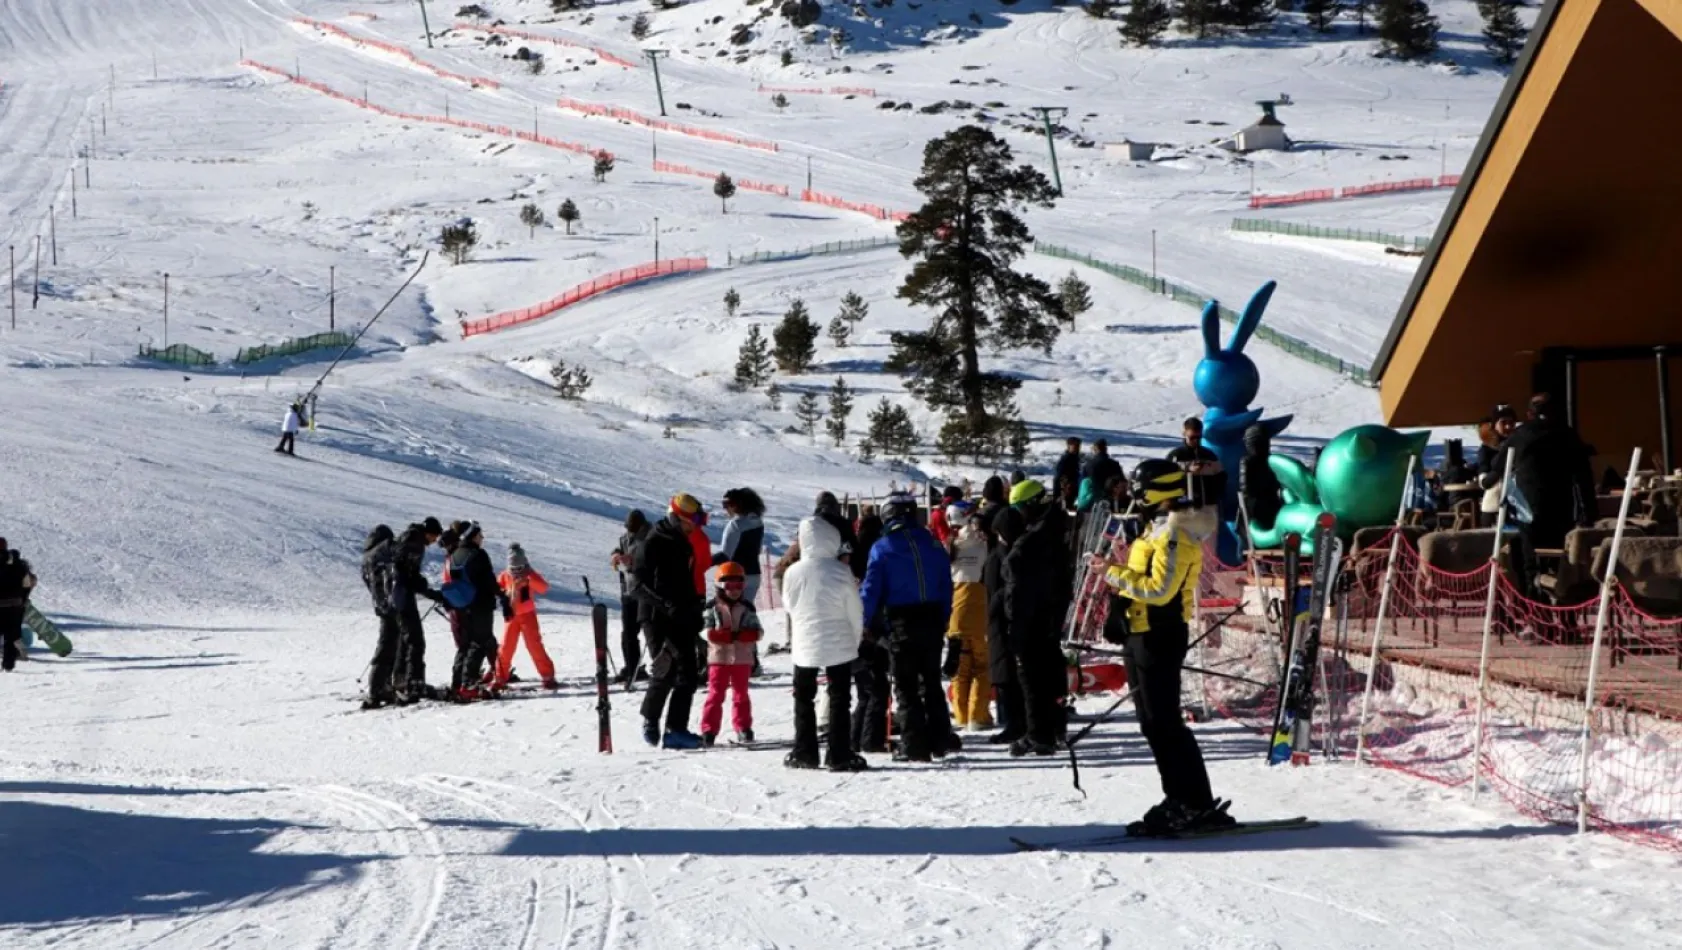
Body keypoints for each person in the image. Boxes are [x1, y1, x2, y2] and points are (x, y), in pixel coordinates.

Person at [1098, 460, 1232, 835]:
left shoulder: (1175, 534)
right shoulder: (1153, 530)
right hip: (1141, 631)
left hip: (1159, 633)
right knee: (1150, 722)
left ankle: (1192, 801)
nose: (1132, 494)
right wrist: (1121, 603)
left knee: (1164, 722)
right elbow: (1143, 583)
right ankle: (1179, 797)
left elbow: (1160, 591)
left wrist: (1110, 571)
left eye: (1137, 487)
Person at [860, 492, 957, 762]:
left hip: (902, 621)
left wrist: (864, 622)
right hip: (933, 618)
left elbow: (870, 590)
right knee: (931, 681)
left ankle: (914, 745)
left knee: (905, 685)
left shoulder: (883, 547)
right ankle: (940, 739)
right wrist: (945, 616)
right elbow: (946, 585)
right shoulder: (933, 544)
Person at [1481, 393, 1597, 593]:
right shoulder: (1567, 434)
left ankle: (1534, 611)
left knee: (1530, 563)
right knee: (1563, 561)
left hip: (1529, 512)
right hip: (1563, 509)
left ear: (1529, 414)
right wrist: (1589, 514)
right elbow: (1584, 477)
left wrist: (1487, 480)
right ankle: (1564, 613)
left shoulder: (1519, 436)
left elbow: (1497, 467)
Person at [784, 516, 869, 771]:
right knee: (839, 699)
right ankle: (839, 753)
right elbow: (855, 609)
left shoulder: (793, 572)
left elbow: (789, 605)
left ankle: (804, 751)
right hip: (839, 642)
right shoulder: (841, 571)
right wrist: (855, 639)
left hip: (805, 643)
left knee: (803, 698)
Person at [1002, 480, 1073, 756]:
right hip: (1051, 617)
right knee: (1050, 674)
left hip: (1032, 619)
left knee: (1031, 679)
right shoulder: (1057, 531)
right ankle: (1054, 728)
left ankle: (1038, 734)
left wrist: (1014, 628)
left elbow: (1017, 590)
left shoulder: (1030, 543)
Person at [636, 494, 708, 749]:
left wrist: (696, 606)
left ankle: (676, 730)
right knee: (664, 669)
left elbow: (688, 581)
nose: (695, 527)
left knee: (689, 672)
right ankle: (650, 718)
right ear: (676, 517)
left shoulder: (683, 543)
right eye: (692, 522)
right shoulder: (653, 543)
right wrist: (666, 604)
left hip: (682, 616)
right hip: (656, 617)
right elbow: (637, 586)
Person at [698, 562, 761, 747]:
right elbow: (705, 631)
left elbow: (758, 632)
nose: (734, 591)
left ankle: (743, 727)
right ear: (720, 586)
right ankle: (708, 730)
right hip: (718, 659)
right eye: (729, 586)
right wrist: (721, 635)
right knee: (715, 694)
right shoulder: (713, 608)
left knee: (741, 694)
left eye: (739, 586)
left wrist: (742, 635)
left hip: (742, 658)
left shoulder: (747, 608)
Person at [443, 522, 507, 700]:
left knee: (465, 644)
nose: (482, 539)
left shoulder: (455, 554)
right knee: (480, 642)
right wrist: (502, 596)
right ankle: (468, 684)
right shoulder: (477, 554)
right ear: (473, 536)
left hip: (462, 605)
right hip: (481, 604)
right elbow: (489, 580)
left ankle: (458, 682)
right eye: (480, 535)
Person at [943, 501, 992, 732]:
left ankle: (961, 715)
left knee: (959, 666)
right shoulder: (981, 542)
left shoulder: (951, 546)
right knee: (982, 666)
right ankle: (978, 715)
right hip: (978, 609)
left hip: (955, 611)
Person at [984, 507, 1027, 744]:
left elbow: (991, 593)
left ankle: (1013, 723)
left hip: (1001, 622)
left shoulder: (997, 557)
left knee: (1005, 674)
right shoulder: (1024, 551)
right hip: (1020, 621)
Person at [849, 508, 891, 753]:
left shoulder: (852, 554)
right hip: (870, 632)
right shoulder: (878, 557)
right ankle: (870, 740)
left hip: (854, 633)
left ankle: (857, 738)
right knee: (877, 689)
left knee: (866, 691)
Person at [392, 517, 445, 701]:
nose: (434, 542)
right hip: (402, 594)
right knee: (415, 640)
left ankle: (400, 680)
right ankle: (414, 682)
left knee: (405, 639)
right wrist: (426, 588)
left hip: (397, 595)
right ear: (429, 533)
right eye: (435, 537)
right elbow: (408, 573)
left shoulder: (408, 537)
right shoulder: (415, 542)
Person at [494, 543, 557, 691]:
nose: (516, 572)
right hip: (512, 615)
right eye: (513, 569)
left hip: (528, 614)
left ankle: (548, 676)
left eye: (519, 569)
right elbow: (497, 587)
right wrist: (504, 595)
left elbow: (544, 588)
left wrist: (529, 580)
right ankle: (500, 676)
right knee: (506, 647)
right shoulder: (505, 575)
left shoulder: (529, 574)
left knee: (534, 645)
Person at [360, 525, 402, 708]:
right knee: (388, 646)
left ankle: (381, 685)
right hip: (390, 605)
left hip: (380, 606)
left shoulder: (366, 558)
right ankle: (378, 688)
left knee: (387, 644)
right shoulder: (383, 552)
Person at [611, 510, 653, 686]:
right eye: (629, 528)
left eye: (633, 528)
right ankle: (632, 667)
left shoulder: (652, 537)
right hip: (629, 590)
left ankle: (663, 668)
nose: (631, 531)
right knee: (628, 633)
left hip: (647, 592)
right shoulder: (626, 537)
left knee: (652, 632)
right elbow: (619, 548)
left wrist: (634, 562)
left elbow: (654, 562)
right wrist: (615, 555)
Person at [714, 489, 766, 607]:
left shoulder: (736, 524)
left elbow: (725, 555)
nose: (725, 509)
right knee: (745, 614)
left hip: (734, 576)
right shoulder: (758, 522)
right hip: (754, 574)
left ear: (736, 505)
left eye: (726, 505)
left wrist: (703, 562)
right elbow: (758, 550)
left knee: (729, 615)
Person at [1166, 418, 1225, 509]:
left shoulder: (1209, 455)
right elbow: (1167, 480)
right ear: (1184, 434)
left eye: (1198, 438)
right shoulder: (1176, 456)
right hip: (1182, 507)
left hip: (1207, 505)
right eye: (1192, 437)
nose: (1196, 441)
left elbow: (1221, 477)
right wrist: (1188, 470)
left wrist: (1213, 494)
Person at [1239, 422, 1283, 542]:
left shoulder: (1270, 461)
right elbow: (1246, 489)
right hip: (1257, 507)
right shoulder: (1251, 461)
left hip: (1264, 507)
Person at [0, 538, 37, 672]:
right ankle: (8, 665)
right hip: (14, 606)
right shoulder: (19, 564)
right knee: (12, 636)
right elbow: (28, 583)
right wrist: (23, 598)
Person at [1054, 436, 1084, 501]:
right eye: (1075, 446)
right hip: (1066, 492)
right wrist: (1057, 495)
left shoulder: (1075, 458)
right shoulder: (1065, 459)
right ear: (1069, 446)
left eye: (1078, 446)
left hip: (1073, 490)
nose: (1078, 448)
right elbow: (1058, 478)